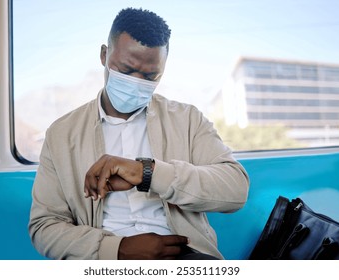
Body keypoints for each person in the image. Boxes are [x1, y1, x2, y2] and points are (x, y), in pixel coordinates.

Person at [28, 7, 249, 260]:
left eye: (149, 76)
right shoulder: (61, 134)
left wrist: (147, 173)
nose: (136, 82)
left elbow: (235, 191)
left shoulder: (187, 119)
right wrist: (117, 249)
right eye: (126, 70)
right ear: (104, 55)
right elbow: (44, 227)